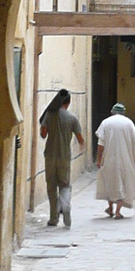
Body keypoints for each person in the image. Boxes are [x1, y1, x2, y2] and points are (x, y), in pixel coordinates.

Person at [38, 88, 84, 228]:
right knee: (64, 185)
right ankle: (65, 204)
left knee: (51, 187)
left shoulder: (49, 116)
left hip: (50, 156)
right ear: (69, 102)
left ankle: (53, 218)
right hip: (64, 157)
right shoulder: (73, 118)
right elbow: (80, 138)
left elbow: (43, 134)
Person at [95, 102, 135, 217]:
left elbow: (101, 144)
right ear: (123, 113)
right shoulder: (128, 123)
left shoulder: (106, 123)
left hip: (109, 159)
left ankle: (110, 208)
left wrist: (99, 159)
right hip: (125, 160)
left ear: (112, 112)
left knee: (111, 183)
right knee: (123, 183)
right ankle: (118, 212)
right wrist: (133, 157)